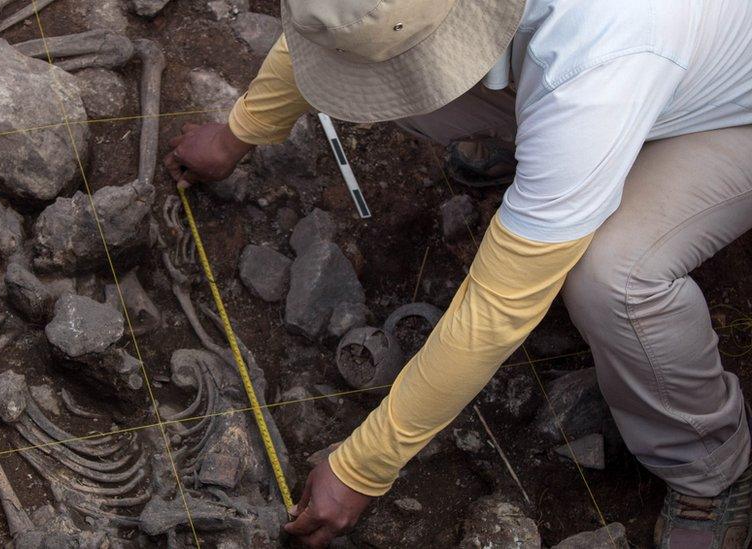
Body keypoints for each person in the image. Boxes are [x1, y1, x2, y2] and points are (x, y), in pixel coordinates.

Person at [164, 0, 752, 547]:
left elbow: (499, 308)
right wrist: (237, 132)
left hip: (724, 115)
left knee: (610, 277)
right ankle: (555, 161)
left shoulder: (601, 61)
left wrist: (364, 465)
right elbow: (344, 32)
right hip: (624, 81)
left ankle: (711, 466)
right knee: (386, 86)